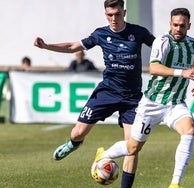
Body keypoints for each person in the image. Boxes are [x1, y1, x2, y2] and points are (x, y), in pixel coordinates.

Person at [33, 0, 155, 187]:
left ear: (124, 11)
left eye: (117, 14)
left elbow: (162, 48)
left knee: (132, 146)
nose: (114, 18)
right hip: (107, 92)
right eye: (109, 15)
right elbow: (73, 46)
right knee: (77, 132)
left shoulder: (138, 32)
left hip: (132, 98)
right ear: (105, 14)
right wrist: (46, 46)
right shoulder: (101, 34)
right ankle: (74, 144)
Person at [94, 8, 194, 188]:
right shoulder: (162, 42)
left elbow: (190, 57)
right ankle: (104, 154)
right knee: (132, 148)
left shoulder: (192, 43)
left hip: (175, 104)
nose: (178, 29)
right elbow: (154, 68)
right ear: (170, 24)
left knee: (190, 131)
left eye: (182, 26)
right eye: (175, 25)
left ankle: (175, 184)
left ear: (188, 26)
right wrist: (183, 73)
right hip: (152, 103)